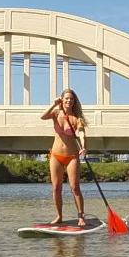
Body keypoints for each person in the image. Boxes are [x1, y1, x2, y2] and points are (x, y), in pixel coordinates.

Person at [40, 89, 89, 226]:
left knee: (75, 187)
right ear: (62, 99)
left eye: (72, 99)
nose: (69, 101)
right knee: (56, 188)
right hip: (55, 155)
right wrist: (54, 104)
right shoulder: (55, 113)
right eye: (66, 98)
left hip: (72, 156)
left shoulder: (77, 118)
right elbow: (43, 116)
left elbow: (81, 133)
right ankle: (59, 216)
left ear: (74, 101)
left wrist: (83, 146)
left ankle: (81, 217)